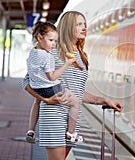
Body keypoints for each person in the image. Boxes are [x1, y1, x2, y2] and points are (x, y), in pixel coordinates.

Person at [22, 11, 122, 160]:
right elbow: (27, 81)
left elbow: (78, 91)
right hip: (53, 115)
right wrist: (46, 100)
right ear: (68, 27)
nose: (84, 28)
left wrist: (104, 100)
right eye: (79, 24)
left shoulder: (82, 56)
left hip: (73, 119)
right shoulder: (52, 52)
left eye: (85, 24)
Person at [25, 21, 83, 144]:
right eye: (51, 40)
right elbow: (52, 77)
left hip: (36, 87)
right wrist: (67, 64)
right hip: (51, 88)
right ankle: (71, 133)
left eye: (55, 41)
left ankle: (31, 130)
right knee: (75, 103)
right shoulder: (48, 56)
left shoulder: (32, 52)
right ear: (40, 38)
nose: (53, 44)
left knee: (36, 103)